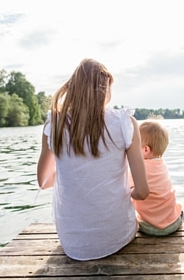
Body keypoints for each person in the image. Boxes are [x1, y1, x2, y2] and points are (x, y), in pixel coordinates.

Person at [37, 58, 149, 261]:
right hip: (118, 236)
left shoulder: (54, 124)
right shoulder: (124, 122)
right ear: (105, 86)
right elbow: (142, 191)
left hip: (72, 244)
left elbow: (43, 181)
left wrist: (72, 173)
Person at [129, 121, 182, 236]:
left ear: (145, 150)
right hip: (174, 223)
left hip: (151, 227)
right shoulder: (162, 165)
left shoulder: (138, 168)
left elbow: (124, 187)